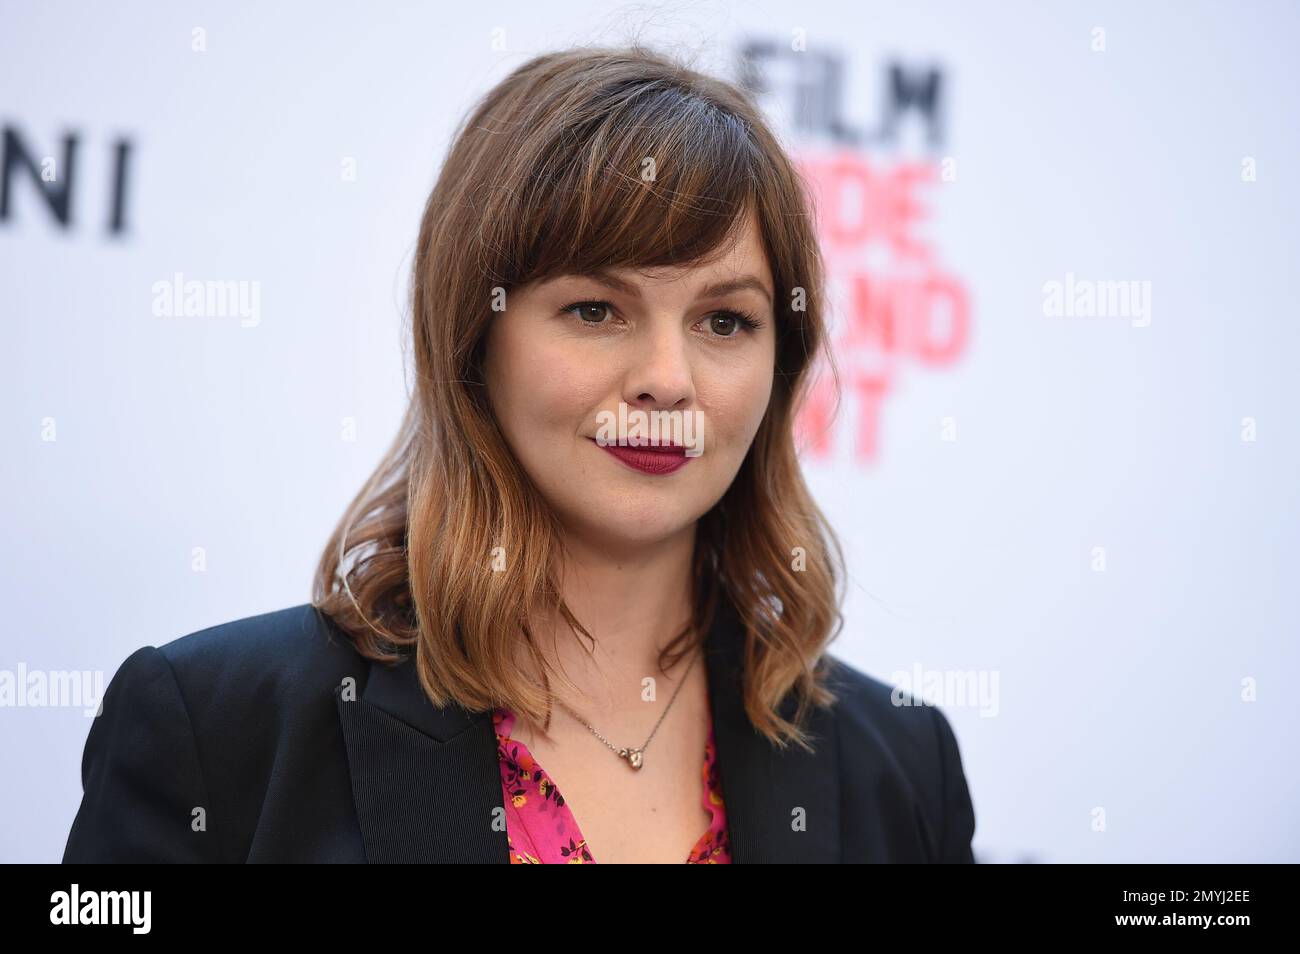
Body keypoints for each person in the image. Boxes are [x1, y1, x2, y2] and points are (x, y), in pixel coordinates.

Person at [62, 44, 977, 864]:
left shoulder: (900, 769)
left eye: (725, 320)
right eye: (595, 309)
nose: (668, 378)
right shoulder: (221, 730)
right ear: (475, 335)